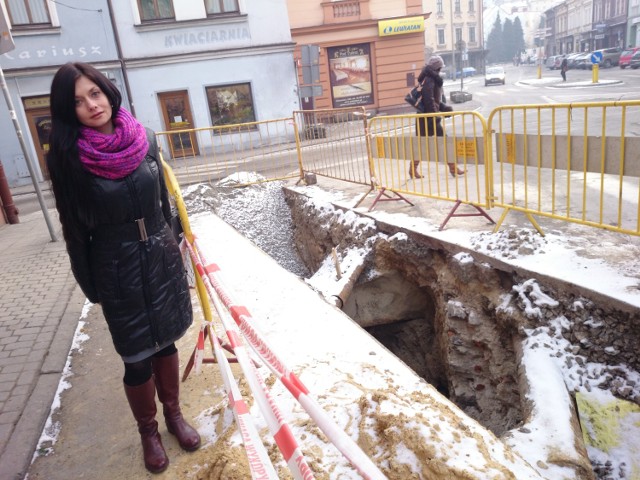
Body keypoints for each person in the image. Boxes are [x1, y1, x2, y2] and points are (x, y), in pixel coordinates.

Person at [46, 62, 200, 474]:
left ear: (107, 91)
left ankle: (174, 415)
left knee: (166, 343)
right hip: (116, 265)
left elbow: (165, 200)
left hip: (160, 257)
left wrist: (178, 238)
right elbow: (74, 229)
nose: (91, 105)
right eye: (78, 101)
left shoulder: (145, 138)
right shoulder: (68, 159)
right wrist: (91, 284)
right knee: (135, 357)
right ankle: (148, 431)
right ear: (69, 110)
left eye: (94, 93)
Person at [413, 55, 464, 179]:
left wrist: (444, 108)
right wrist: (434, 116)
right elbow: (428, 99)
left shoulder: (429, 78)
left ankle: (452, 167)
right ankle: (452, 167)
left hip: (425, 116)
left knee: (424, 144)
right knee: (442, 142)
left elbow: (433, 100)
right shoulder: (430, 79)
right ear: (438, 68)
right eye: (441, 67)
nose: (442, 69)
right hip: (429, 117)